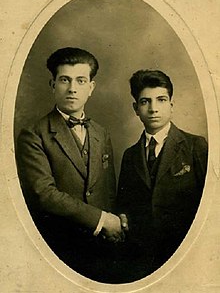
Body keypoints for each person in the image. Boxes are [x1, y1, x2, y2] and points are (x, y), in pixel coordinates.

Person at [16, 47, 127, 283]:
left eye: (80, 80)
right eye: (64, 80)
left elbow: (107, 188)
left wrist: (116, 218)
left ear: (91, 88)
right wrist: (102, 220)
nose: (72, 88)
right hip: (57, 250)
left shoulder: (100, 133)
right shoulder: (34, 135)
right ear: (53, 84)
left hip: (103, 249)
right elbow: (44, 194)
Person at [117, 69, 208, 281]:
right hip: (141, 259)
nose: (153, 109)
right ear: (135, 109)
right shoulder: (130, 155)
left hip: (186, 254)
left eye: (161, 100)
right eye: (145, 102)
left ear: (171, 106)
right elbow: (123, 203)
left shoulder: (195, 146)